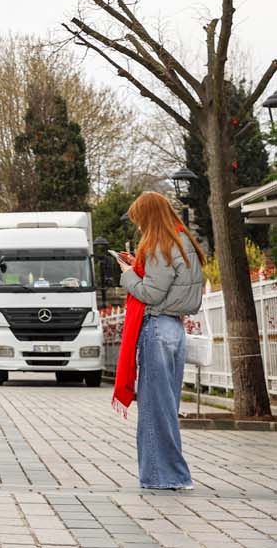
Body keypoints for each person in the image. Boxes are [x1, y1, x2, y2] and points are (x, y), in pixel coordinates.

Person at [114, 190, 205, 490]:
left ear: (149, 218)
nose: (138, 227)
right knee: (167, 404)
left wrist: (128, 273)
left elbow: (150, 294)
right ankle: (171, 473)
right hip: (176, 330)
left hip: (157, 327)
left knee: (154, 407)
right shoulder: (183, 240)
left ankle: (164, 476)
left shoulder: (158, 245)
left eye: (140, 221)